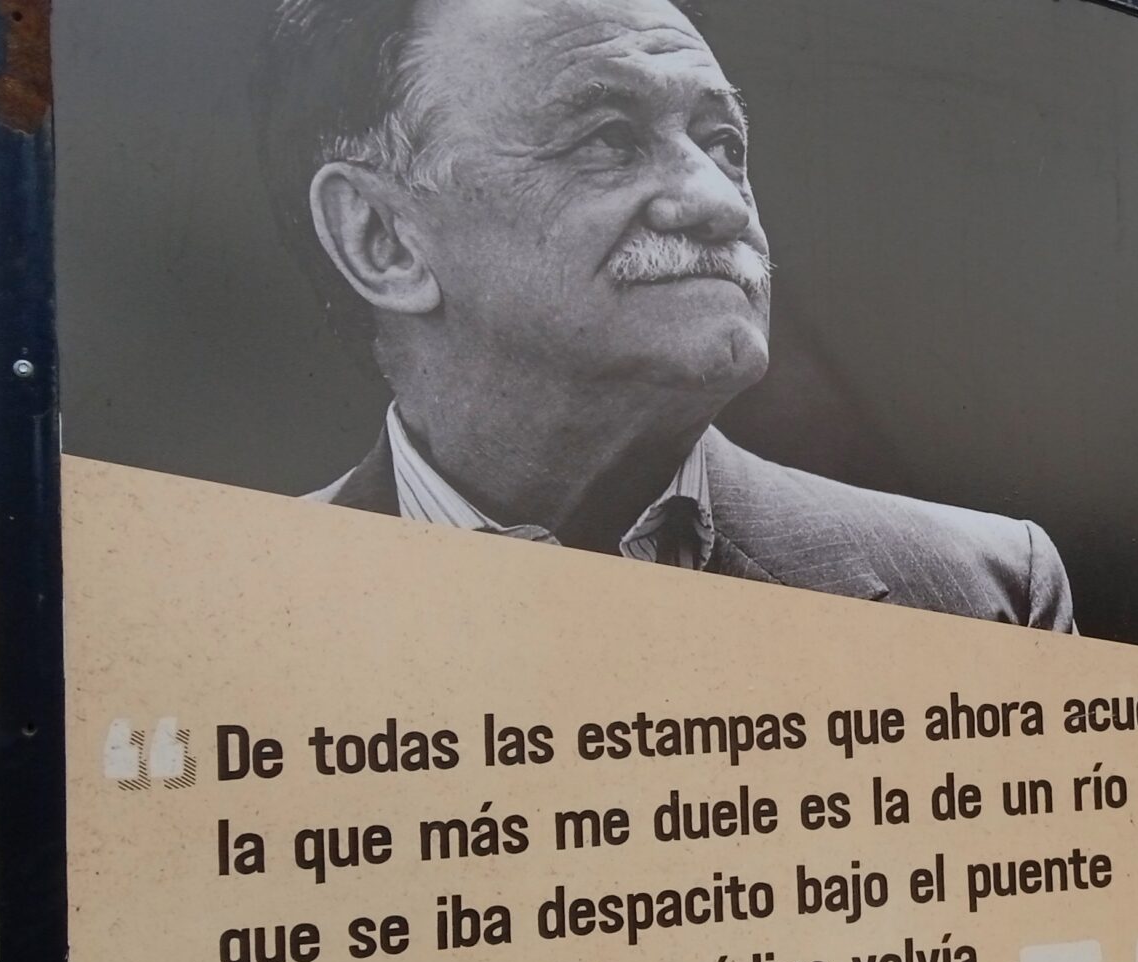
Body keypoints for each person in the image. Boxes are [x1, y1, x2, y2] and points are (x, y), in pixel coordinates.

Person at [257, 0, 1075, 631]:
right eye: (610, 137)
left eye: (723, 142)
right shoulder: (211, 616)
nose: (720, 202)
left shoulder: (983, 592)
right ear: (384, 241)